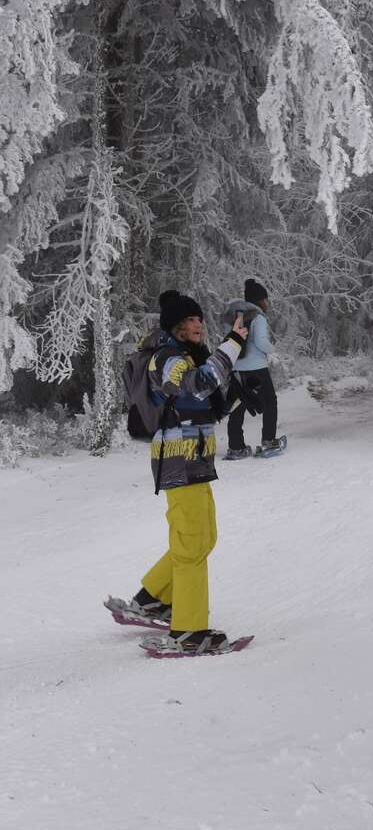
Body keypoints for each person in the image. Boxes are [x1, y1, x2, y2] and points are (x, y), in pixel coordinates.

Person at [105, 289, 248, 656]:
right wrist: (231, 346)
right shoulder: (166, 358)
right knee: (191, 545)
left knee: (203, 538)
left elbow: (199, 405)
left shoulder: (184, 356)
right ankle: (189, 631)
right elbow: (193, 385)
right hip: (179, 461)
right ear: (175, 326)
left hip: (194, 460)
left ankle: (152, 599)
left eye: (199, 319)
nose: (198, 325)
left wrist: (238, 395)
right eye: (189, 320)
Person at [223, 278, 285, 459]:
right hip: (256, 367)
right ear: (259, 300)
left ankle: (236, 447)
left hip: (236, 367)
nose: (267, 303)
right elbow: (260, 342)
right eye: (265, 299)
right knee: (270, 400)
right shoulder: (258, 316)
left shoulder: (232, 315)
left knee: (238, 403)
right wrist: (273, 349)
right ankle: (268, 441)